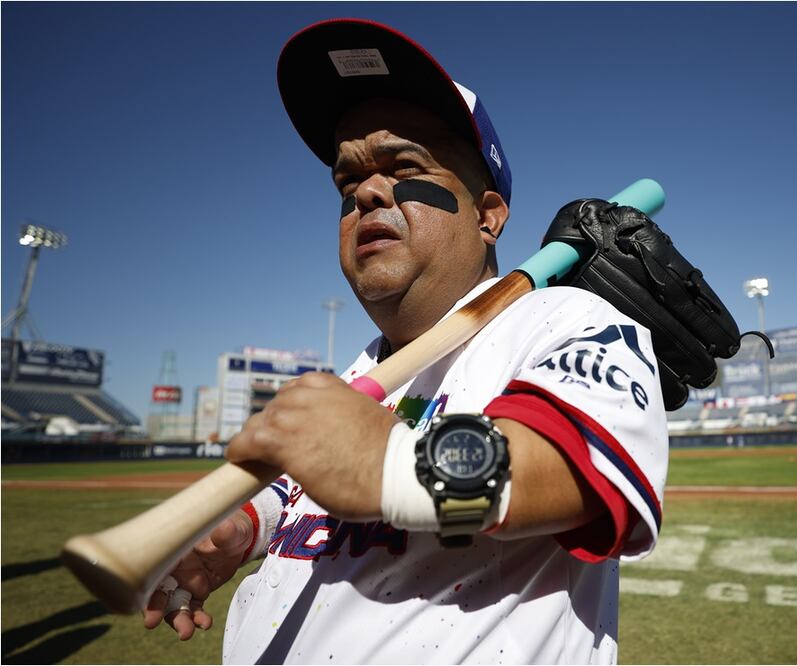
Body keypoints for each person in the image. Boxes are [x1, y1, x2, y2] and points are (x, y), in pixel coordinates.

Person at [143, 19, 668, 664]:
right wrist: (245, 527)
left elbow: (578, 471)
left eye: (404, 166)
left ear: (487, 215)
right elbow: (305, 491)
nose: (366, 191)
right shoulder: (361, 370)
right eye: (348, 182)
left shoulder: (562, 321)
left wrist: (391, 465)